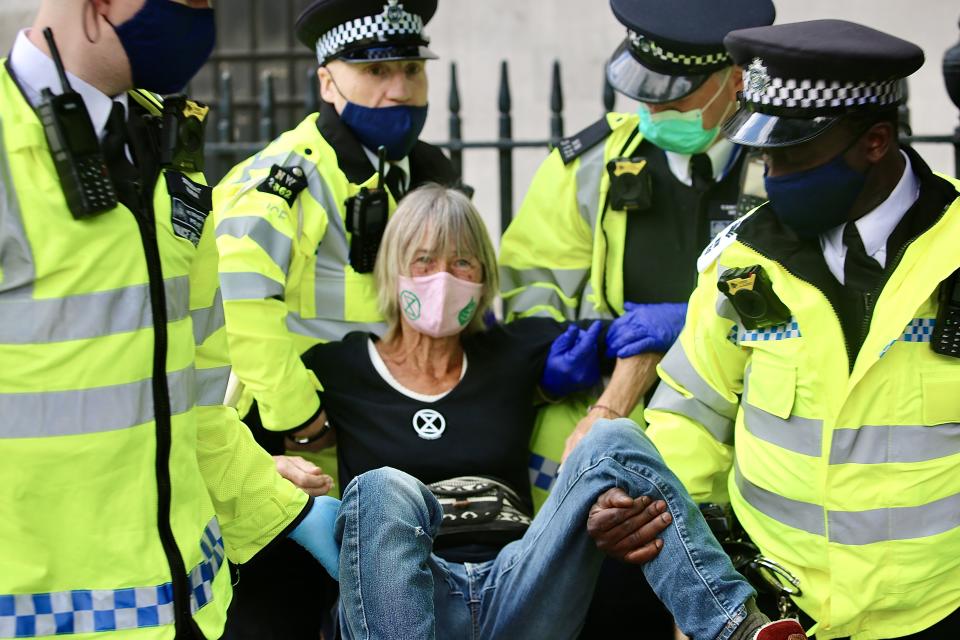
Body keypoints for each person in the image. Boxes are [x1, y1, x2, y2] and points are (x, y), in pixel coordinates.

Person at [302, 183, 807, 640]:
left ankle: (737, 629)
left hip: (519, 583)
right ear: (393, 268)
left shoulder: (513, 350)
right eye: (423, 261)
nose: (442, 278)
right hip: (410, 590)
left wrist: (606, 407)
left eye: (462, 263)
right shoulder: (340, 366)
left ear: (483, 278)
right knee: (380, 487)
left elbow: (639, 338)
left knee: (612, 440)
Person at [0, 1, 338, 639]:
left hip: (183, 612)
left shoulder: (168, 153)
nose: (199, 15)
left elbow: (196, 399)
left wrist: (281, 509)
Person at [641, 18, 960, 639]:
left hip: (940, 609)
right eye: (764, 152)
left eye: (792, 153)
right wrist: (699, 582)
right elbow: (688, 416)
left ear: (875, 142)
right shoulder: (742, 262)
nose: (771, 174)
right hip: (775, 613)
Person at [499, 0, 776, 634]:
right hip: (600, 471)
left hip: (730, 463)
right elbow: (526, 287)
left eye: (675, 99)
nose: (652, 113)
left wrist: (697, 320)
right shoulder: (588, 165)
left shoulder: (784, 170)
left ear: (735, 81)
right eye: (644, 94)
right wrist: (572, 345)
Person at [211, 0, 460, 636]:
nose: (398, 89)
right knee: (284, 610)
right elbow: (239, 301)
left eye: (410, 69)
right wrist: (297, 415)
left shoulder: (423, 174)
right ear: (328, 80)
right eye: (374, 71)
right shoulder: (282, 178)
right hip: (290, 439)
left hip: (371, 428)